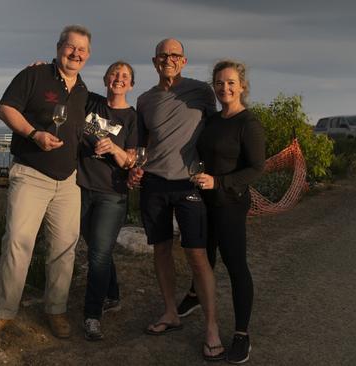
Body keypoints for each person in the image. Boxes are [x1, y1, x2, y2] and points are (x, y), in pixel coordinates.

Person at [0, 24, 91, 341]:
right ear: (58, 47)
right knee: (17, 244)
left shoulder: (82, 91)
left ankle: (56, 309)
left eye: (82, 49)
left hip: (69, 182)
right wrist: (33, 134)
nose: (75, 53)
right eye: (70, 46)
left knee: (63, 249)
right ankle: (3, 312)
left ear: (88, 55)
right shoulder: (34, 76)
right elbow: (5, 109)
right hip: (31, 175)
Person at [128, 38, 224, 361]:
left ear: (183, 61)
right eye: (162, 56)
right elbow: (141, 146)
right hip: (154, 183)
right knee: (161, 249)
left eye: (174, 55)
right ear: (154, 62)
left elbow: (217, 132)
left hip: (190, 183)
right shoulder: (144, 100)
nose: (168, 60)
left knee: (197, 255)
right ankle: (170, 312)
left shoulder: (202, 92)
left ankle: (212, 327)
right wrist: (135, 169)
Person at [189, 59, 265, 363]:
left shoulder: (249, 123)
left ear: (242, 86)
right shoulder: (212, 119)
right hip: (204, 203)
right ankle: (196, 302)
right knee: (203, 262)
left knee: (235, 267)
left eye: (231, 82)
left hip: (230, 205)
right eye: (219, 83)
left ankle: (241, 334)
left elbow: (257, 167)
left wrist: (219, 182)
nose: (225, 88)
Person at [79, 61, 138, 341]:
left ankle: (92, 315)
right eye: (115, 73)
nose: (119, 78)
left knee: (98, 255)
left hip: (112, 194)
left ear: (131, 84)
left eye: (125, 76)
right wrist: (43, 66)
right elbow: (68, 79)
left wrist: (114, 148)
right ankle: (112, 293)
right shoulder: (91, 102)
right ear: (105, 78)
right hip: (80, 187)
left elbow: (132, 160)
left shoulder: (132, 117)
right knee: (95, 247)